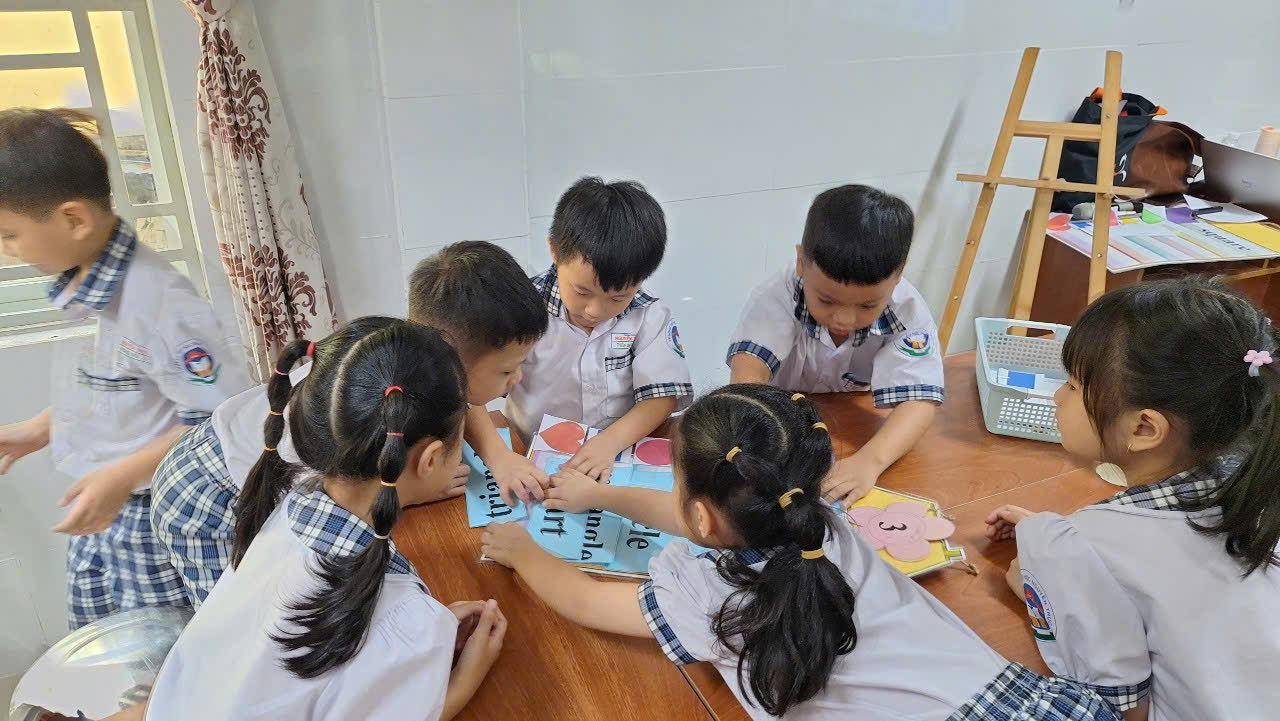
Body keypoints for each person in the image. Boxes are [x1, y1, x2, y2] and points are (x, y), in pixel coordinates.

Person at [483, 384, 1120, 721]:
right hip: (1025, 704)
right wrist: (605, 496)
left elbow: (589, 600)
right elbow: (705, 521)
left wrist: (523, 552)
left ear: (701, 514)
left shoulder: (707, 598)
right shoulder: (821, 526)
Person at [150, 241, 548, 605]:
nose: (517, 379)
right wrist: (405, 492)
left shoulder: (420, 356)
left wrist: (499, 457)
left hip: (237, 454)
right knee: (245, 614)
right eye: (507, 370)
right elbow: (331, 505)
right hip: (207, 496)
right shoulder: (357, 420)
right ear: (454, 364)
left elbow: (466, 399)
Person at [145, 320, 506, 720]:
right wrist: (461, 680)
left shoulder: (283, 512)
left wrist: (416, 640)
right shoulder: (407, 621)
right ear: (431, 459)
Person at [986, 277, 1280, 721]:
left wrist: (1042, 588)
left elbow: (1124, 710)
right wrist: (1061, 551)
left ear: (1144, 429)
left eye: (1072, 386)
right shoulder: (1259, 483)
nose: (1057, 397)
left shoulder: (1082, 548)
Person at [0, 108, 248, 628]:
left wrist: (120, 476)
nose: (8, 252)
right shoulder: (93, 288)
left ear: (74, 220)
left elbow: (220, 421)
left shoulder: (160, 302)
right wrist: (39, 429)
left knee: (157, 653)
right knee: (106, 649)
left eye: (9, 235)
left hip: (154, 516)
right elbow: (118, 390)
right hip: (111, 507)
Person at [727, 185, 942, 506]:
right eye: (826, 301)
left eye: (867, 306)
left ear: (898, 274)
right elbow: (748, 371)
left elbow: (919, 402)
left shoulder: (908, 309)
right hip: (788, 414)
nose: (844, 319)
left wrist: (870, 461)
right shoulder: (778, 293)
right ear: (802, 262)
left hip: (857, 420)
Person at [481, 176, 693, 497]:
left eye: (618, 297)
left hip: (618, 451)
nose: (595, 311)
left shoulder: (649, 315)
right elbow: (468, 387)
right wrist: (501, 455)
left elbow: (662, 396)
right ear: (554, 251)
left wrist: (608, 443)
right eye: (581, 292)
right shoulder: (521, 307)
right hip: (528, 452)